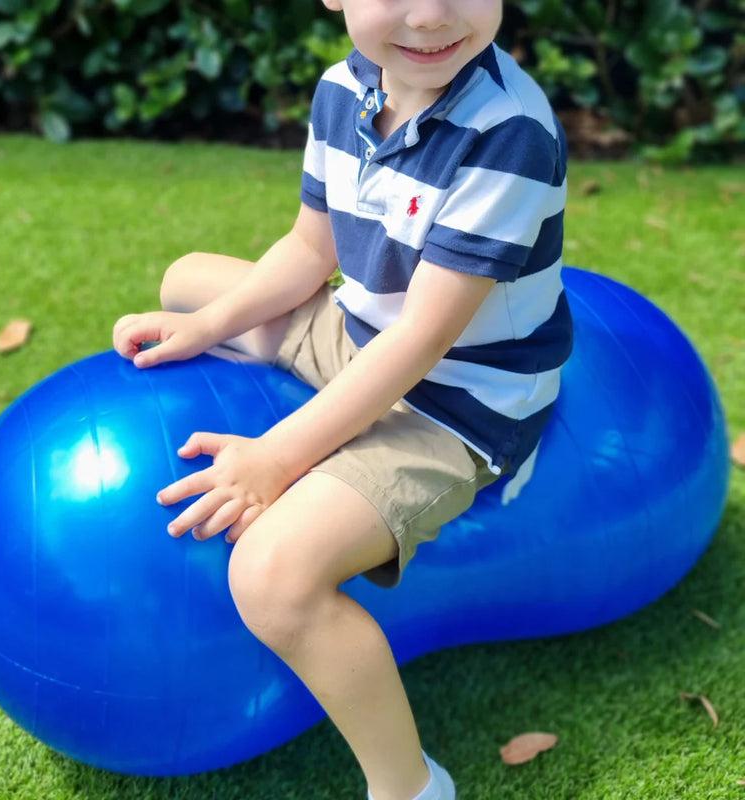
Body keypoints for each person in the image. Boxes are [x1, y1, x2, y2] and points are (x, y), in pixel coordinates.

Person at [112, 1, 572, 797]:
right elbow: (308, 248)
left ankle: (409, 785)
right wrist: (211, 326)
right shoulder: (345, 88)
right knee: (187, 283)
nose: (430, 15)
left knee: (272, 576)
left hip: (454, 404)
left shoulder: (509, 133)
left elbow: (420, 345)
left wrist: (278, 457)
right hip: (359, 333)